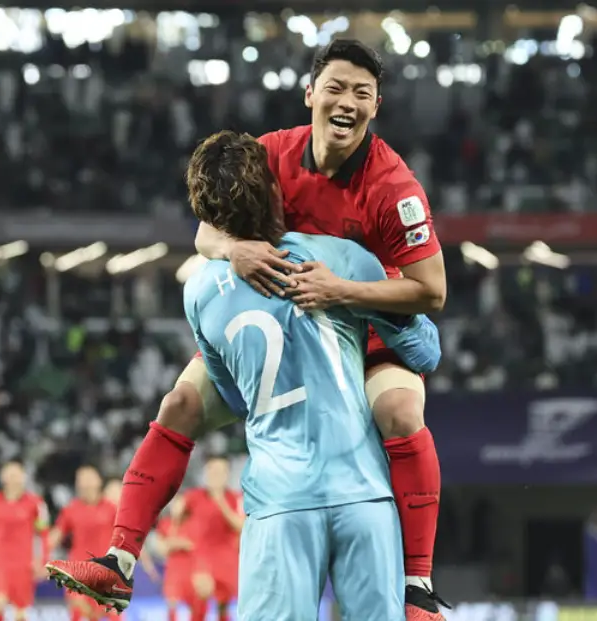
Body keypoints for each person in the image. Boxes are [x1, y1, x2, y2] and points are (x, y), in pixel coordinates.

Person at [48, 39, 448, 621]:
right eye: (336, 87)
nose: (347, 102)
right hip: (288, 316)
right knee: (180, 400)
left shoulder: (393, 186)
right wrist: (235, 250)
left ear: (376, 106)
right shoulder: (270, 154)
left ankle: (417, 586)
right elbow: (204, 234)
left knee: (400, 414)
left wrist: (342, 290)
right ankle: (119, 560)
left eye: (362, 93)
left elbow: (430, 290)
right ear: (310, 94)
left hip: (367, 314)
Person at [185, 130, 440, 619]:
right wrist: (350, 295)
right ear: (276, 191)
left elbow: (232, 398)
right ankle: (419, 580)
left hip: (280, 501)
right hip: (361, 494)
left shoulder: (199, 292)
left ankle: (120, 554)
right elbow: (426, 352)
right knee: (403, 409)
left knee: (176, 408)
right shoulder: (343, 258)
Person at [0, 460, 49, 621]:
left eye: (16, 474)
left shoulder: (35, 503)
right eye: (9, 474)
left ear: (23, 478)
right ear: (2, 478)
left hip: (23, 563)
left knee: (20, 612)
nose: (13, 479)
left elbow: (43, 534)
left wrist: (43, 561)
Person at [47, 465, 120, 621]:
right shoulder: (70, 509)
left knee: (112, 615)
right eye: (81, 479)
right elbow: (54, 536)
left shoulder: (112, 508)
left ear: (99, 481)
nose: (85, 482)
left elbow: (126, 536)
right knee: (79, 613)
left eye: (89, 478)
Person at [178, 457, 243, 621]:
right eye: (212, 471)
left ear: (227, 475)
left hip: (227, 556)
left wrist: (220, 501)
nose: (215, 475)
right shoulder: (194, 496)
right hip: (203, 555)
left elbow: (240, 526)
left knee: (223, 604)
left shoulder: (236, 498)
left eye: (220, 471)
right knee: (201, 594)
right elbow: (177, 517)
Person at [155, 496, 196, 621]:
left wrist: (175, 543)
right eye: (175, 504)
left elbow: (195, 545)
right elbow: (163, 549)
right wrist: (175, 523)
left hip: (191, 569)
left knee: (194, 605)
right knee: (172, 603)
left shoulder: (193, 522)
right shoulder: (165, 523)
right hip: (173, 570)